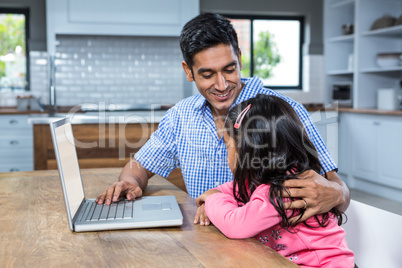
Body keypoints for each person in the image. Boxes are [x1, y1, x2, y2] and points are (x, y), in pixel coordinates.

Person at [96, 13, 350, 226]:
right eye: (207, 74)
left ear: (239, 58)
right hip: (207, 241)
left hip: (275, 248)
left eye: (229, 69)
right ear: (188, 71)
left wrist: (337, 193)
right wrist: (129, 183)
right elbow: (140, 165)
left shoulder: (284, 111)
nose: (222, 84)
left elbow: (337, 188)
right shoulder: (181, 116)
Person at [196, 94, 354, 267]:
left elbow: (235, 225)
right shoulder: (266, 179)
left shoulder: (285, 189)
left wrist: (212, 199)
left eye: (228, 146)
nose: (227, 155)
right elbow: (231, 189)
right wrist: (216, 193)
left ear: (248, 152)